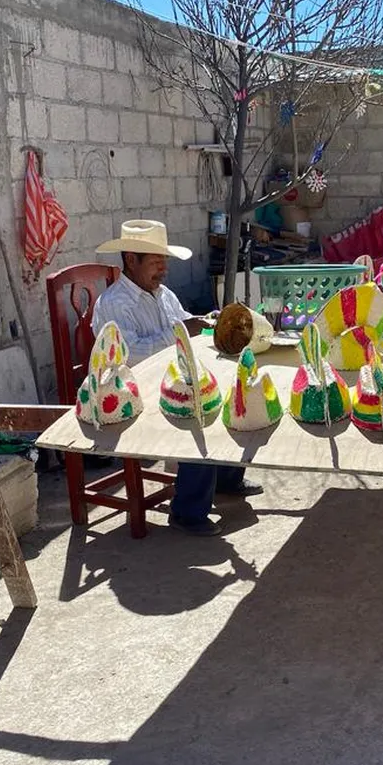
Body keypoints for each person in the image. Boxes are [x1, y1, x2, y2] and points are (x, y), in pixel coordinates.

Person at [93, 219, 261, 537]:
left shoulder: (163, 293)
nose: (163, 270)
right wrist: (181, 333)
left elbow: (183, 322)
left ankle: (227, 480)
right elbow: (129, 354)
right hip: (131, 393)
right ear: (131, 260)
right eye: (156, 263)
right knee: (198, 409)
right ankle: (187, 512)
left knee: (228, 388)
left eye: (164, 262)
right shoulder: (114, 304)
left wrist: (206, 321)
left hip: (167, 378)